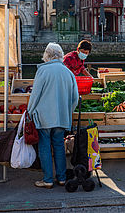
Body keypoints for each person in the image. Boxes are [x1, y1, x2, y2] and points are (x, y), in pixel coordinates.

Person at [28, 42, 79, 189]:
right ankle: (62, 178)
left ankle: (48, 180)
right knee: (58, 146)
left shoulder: (43, 71)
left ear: (47, 55)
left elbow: (35, 95)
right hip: (62, 117)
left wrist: (30, 112)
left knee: (44, 146)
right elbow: (75, 98)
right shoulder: (68, 72)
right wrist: (68, 111)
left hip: (44, 117)